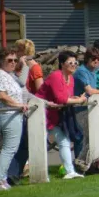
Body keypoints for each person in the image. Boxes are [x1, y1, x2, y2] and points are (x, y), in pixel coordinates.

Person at [36, 51, 87, 180]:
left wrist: (74, 98)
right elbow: (61, 99)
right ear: (62, 64)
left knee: (64, 142)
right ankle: (34, 172)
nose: (74, 65)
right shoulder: (56, 75)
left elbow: (65, 97)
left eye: (75, 63)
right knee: (37, 144)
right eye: (70, 63)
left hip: (56, 114)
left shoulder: (71, 78)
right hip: (41, 114)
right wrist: (79, 100)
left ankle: (69, 171)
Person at [0, 48, 29, 191]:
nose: (13, 63)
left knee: (11, 149)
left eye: (15, 60)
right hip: (8, 114)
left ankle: (1, 178)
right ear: (1, 61)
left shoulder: (10, 75)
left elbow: (22, 85)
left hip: (15, 114)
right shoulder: (0, 74)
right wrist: (18, 105)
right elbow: (2, 96)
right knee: (9, 149)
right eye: (9, 60)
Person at [73, 47, 99, 171]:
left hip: (91, 108)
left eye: (98, 59)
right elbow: (90, 91)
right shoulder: (81, 71)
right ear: (88, 59)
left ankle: (84, 164)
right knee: (88, 137)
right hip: (80, 109)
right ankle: (80, 163)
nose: (96, 62)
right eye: (93, 59)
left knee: (92, 137)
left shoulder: (93, 72)